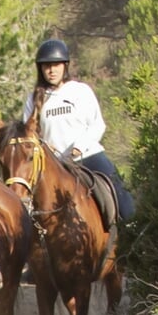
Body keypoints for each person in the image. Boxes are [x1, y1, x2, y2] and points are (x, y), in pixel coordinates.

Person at [20, 38, 136, 224]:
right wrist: (44, 147)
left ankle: (133, 230)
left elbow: (97, 125)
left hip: (88, 156)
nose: (51, 70)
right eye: (47, 66)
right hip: (53, 164)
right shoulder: (33, 99)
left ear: (65, 66)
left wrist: (79, 147)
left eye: (56, 65)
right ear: (40, 69)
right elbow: (28, 133)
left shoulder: (80, 91)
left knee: (123, 201)